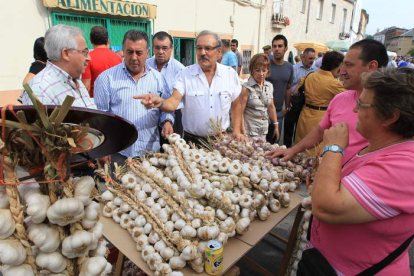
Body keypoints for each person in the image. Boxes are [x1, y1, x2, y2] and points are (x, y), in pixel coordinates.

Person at [304, 68, 414, 275]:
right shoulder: (380, 147)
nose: (355, 110)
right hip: (329, 263)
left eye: (362, 104)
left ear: (390, 117)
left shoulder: (406, 166)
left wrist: (333, 148)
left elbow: (327, 207)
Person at [266, 39, 388, 164]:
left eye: (349, 65)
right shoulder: (340, 98)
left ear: (371, 67)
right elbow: (320, 131)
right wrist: (293, 150)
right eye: (342, 64)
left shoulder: (389, 109)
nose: (342, 71)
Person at [134, 30, 241, 146]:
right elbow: (174, 101)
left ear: (219, 52)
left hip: (221, 141)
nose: (202, 53)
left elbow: (236, 104)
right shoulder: (185, 74)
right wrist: (160, 102)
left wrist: (236, 130)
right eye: (199, 48)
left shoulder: (230, 74)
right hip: (193, 144)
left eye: (207, 48)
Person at [94, 30, 174, 161]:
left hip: (151, 153)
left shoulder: (158, 78)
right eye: (130, 52)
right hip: (119, 153)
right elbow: (99, 118)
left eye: (139, 53)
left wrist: (167, 121)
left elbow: (165, 107)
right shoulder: (106, 79)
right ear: (123, 52)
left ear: (147, 53)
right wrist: (102, 149)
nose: (134, 57)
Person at [21, 25, 96, 109]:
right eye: (84, 52)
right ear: (66, 54)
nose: (89, 58)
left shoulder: (75, 80)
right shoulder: (41, 90)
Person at [294, 51, 345, 156]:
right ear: (337, 66)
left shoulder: (310, 75)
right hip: (319, 118)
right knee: (314, 153)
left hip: (304, 116)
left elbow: (297, 89)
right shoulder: (334, 83)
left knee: (300, 151)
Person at [146, 31, 185, 137]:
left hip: (174, 115)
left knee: (173, 150)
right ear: (153, 48)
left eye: (164, 48)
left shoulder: (180, 69)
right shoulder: (146, 65)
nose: (160, 51)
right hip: (149, 114)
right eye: (157, 48)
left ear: (171, 49)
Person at [232, 54, 278, 141]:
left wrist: (276, 125)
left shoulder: (269, 86)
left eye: (264, 70)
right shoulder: (246, 88)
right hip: (249, 133)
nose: (261, 74)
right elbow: (239, 112)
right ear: (252, 70)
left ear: (268, 71)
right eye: (257, 70)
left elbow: (271, 107)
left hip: (263, 131)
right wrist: (243, 131)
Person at [283, 47, 316, 147]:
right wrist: (288, 103)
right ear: (303, 57)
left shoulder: (315, 71)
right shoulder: (294, 68)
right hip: (294, 100)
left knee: (301, 128)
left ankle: (297, 150)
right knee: (289, 126)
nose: (312, 61)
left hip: (307, 102)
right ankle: (286, 148)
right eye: (310, 58)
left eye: (313, 58)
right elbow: (288, 87)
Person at [265, 34, 294, 144]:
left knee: (274, 144)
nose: (276, 49)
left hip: (278, 113)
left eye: (280, 46)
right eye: (274, 46)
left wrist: (286, 107)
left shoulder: (289, 67)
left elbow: (288, 88)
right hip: (261, 112)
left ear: (286, 48)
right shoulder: (265, 63)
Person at [82, 25, 122, 97]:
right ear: (108, 40)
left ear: (91, 40)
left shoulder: (88, 58)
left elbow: (86, 87)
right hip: (116, 100)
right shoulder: (118, 58)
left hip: (96, 102)